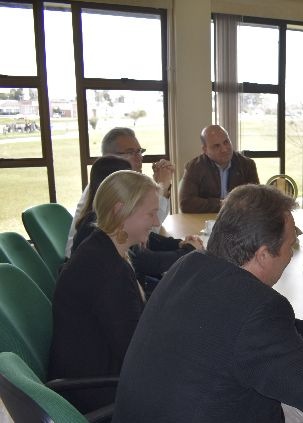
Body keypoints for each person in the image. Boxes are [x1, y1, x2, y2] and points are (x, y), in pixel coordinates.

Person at [113, 184, 303, 422]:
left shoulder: (189, 265)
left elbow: (226, 328)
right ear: (263, 254)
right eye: (290, 245)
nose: (290, 254)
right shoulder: (259, 306)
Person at [50, 171, 161, 413]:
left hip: (99, 372)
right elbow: (136, 353)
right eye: (151, 213)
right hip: (97, 391)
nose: (156, 222)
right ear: (121, 211)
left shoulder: (102, 247)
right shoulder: (106, 272)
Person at [71, 156, 203, 293]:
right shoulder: (102, 249)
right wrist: (186, 252)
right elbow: (143, 261)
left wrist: (178, 244)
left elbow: (148, 238)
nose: (156, 221)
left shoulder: (106, 228)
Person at [64, 127, 174, 258]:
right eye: (130, 152)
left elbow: (150, 228)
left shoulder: (125, 185)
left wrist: (159, 189)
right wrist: (161, 186)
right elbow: (146, 234)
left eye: (139, 151)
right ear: (109, 158)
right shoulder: (107, 189)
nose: (139, 158)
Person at [179, 124, 259, 213]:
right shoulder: (194, 167)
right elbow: (186, 203)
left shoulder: (247, 164)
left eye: (226, 142)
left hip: (238, 219)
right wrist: (222, 204)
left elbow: (256, 199)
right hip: (205, 220)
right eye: (217, 146)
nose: (224, 149)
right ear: (205, 150)